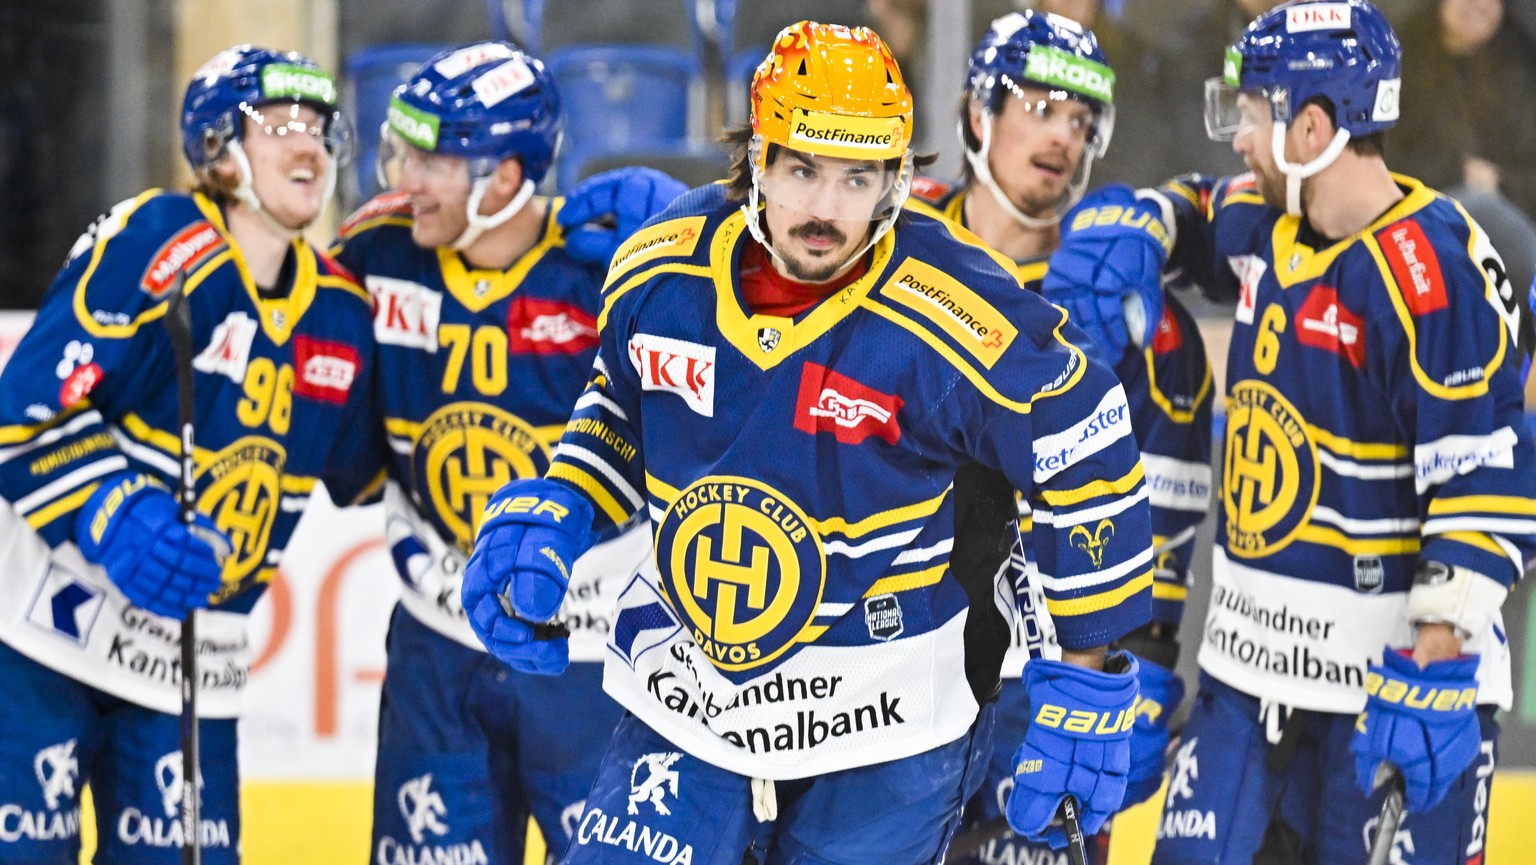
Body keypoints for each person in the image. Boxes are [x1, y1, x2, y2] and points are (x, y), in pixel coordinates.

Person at [461, 20, 1156, 865]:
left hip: (890, 720)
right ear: (757, 158)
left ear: (895, 180)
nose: (826, 210)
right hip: (695, 698)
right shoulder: (661, 268)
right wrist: (564, 498)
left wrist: (1087, 675)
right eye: (802, 170)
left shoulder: (957, 309)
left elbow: (1086, 439)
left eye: (857, 176)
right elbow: (621, 400)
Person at [1042, 2, 1536, 862]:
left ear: (1313, 127)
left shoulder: (1431, 268)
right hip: (1246, 678)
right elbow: (1196, 211)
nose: (1237, 137)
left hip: (1387, 692)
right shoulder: (1270, 221)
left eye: (1255, 114)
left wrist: (1440, 651)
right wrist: (1142, 219)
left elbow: (1483, 475)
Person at [0, 45, 384, 864]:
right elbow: (22, 410)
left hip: (193, 669)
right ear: (216, 146)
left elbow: (383, 473)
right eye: (281, 124)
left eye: (320, 127)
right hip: (39, 643)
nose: (309, 145)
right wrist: (114, 515)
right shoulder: (158, 241)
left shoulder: (342, 316)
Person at [328, 40, 687, 864]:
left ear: (505, 175)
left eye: (431, 160)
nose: (401, 178)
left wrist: (711, 245)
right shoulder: (375, 252)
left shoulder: (611, 270)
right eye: (401, 151)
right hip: (437, 644)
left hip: (600, 653)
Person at [910, 10, 1214, 864]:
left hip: (1050, 680)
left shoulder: (1133, 309)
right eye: (1041, 107)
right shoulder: (893, 247)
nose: (1064, 138)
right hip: (888, 664)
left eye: (1082, 121)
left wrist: (1146, 658)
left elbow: (1167, 502)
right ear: (978, 114)